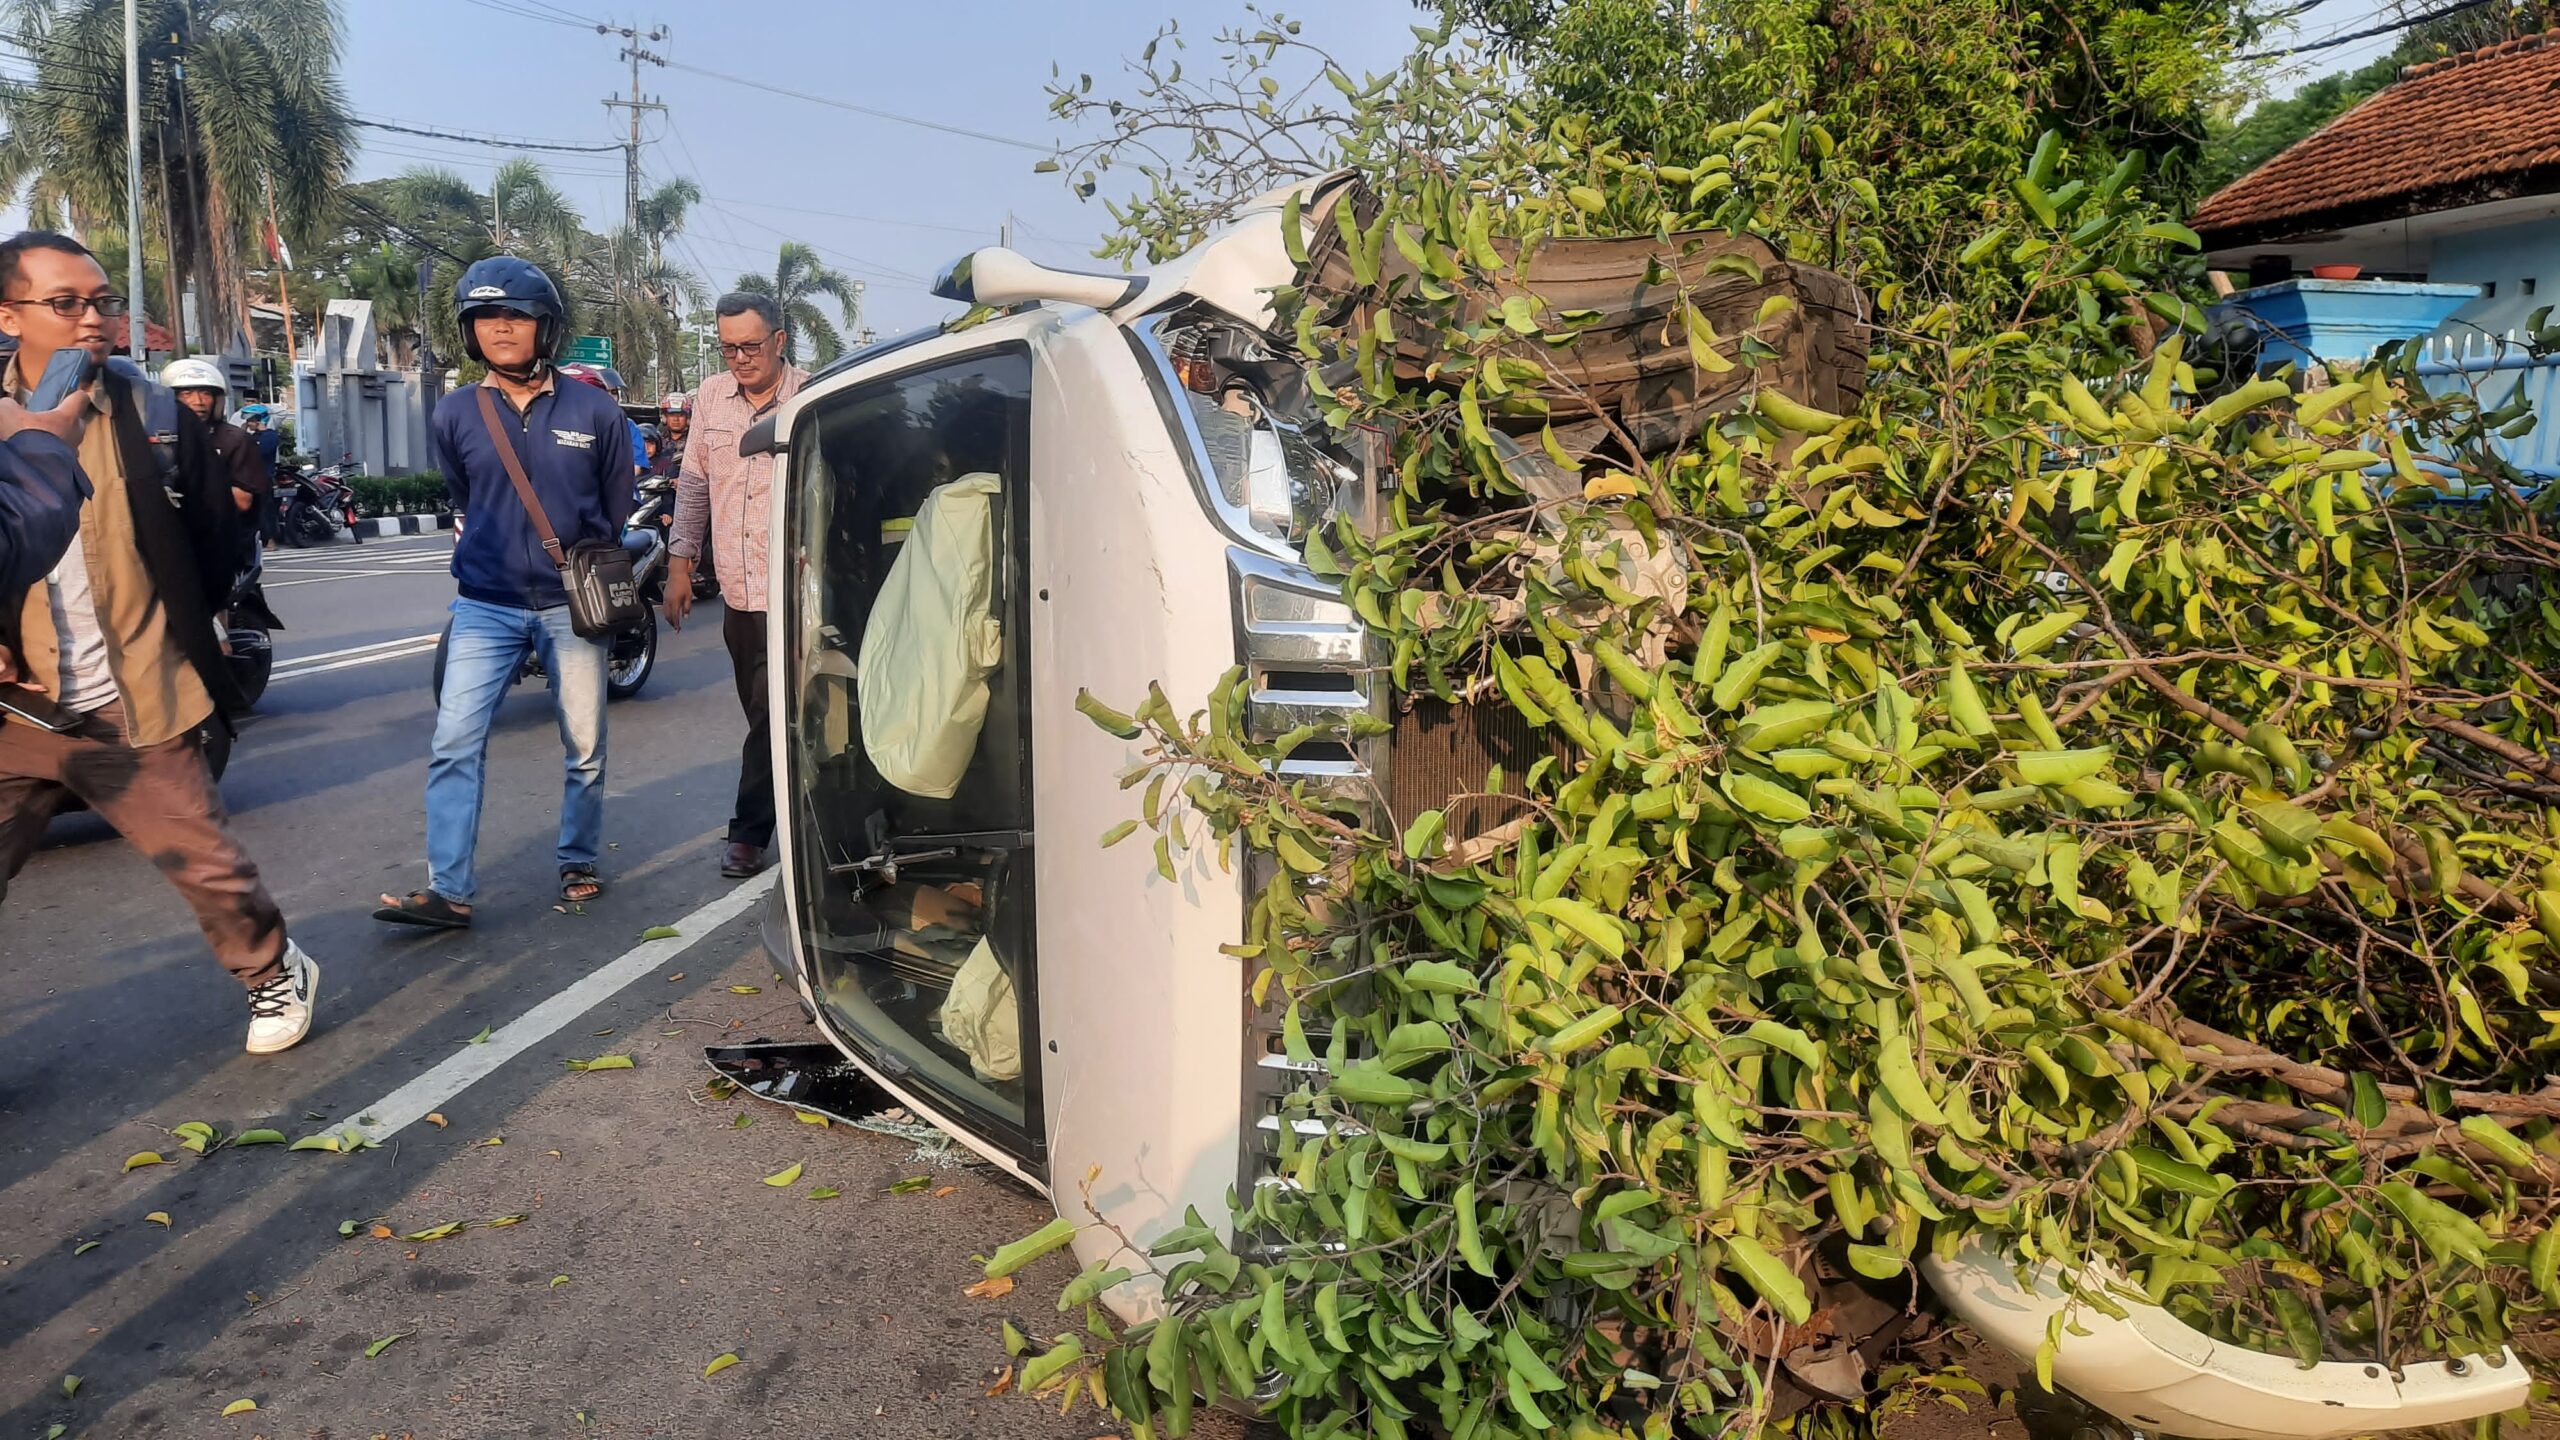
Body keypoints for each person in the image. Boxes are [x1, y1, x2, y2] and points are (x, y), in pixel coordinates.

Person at [0, 230, 322, 1054]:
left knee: (207, 866)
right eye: (64, 303)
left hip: (132, 696)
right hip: (17, 708)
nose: (91, 321)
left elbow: (218, 542)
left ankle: (273, 969)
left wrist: (180, 636)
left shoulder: (154, 417)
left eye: (101, 302)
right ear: (8, 314)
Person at [375, 257, 633, 930]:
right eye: (486, 317)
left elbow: (614, 504)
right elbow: (467, 496)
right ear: (469, 331)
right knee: (455, 740)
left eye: (515, 316)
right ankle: (448, 889)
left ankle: (578, 856)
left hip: (567, 606)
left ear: (544, 328)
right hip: (484, 605)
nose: (501, 329)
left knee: (585, 744)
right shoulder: (457, 412)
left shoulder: (595, 410)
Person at [666, 292, 806, 880]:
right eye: (729, 348)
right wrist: (679, 563)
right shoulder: (710, 399)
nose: (740, 358)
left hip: (800, 594)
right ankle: (796, 823)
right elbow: (695, 483)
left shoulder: (813, 397)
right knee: (763, 714)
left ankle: (749, 833)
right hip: (740, 594)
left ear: (779, 340)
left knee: (783, 712)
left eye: (751, 345)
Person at [161, 358, 270, 572]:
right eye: (187, 394)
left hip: (222, 544)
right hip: (169, 544)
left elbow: (243, 501)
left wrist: (189, 486)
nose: (198, 401)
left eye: (206, 393)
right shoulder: (161, 438)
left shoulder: (232, 439)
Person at [238, 404, 282, 552]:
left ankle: (270, 540)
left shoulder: (270, 436)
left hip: (263, 478)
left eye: (251, 420)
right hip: (248, 478)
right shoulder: (250, 437)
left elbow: (260, 452)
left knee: (265, 510)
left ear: (260, 420)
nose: (248, 424)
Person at [654, 392, 689, 478]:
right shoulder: (656, 439)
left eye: (680, 415)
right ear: (665, 417)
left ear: (688, 418)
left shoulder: (695, 440)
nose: (676, 419)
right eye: (672, 415)